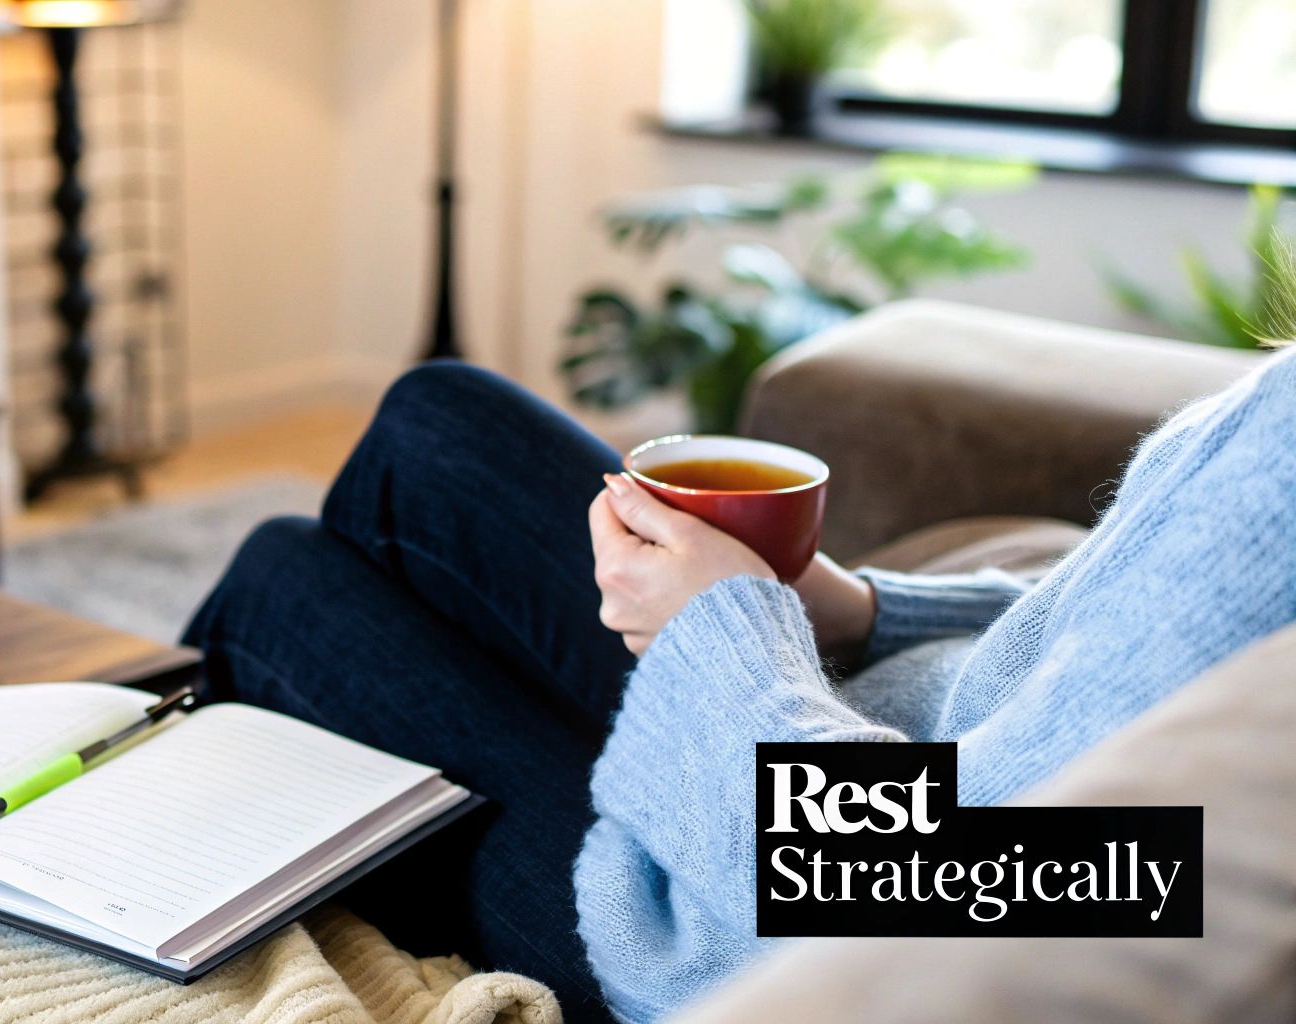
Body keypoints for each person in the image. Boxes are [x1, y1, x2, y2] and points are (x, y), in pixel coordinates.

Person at [183, 349, 1296, 1024]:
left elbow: (956, 886)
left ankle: (133, 868)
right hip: (823, 734)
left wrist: (720, 631)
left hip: (733, 936)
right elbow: (1098, 614)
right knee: (440, 418)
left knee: (289, 583)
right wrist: (856, 611)